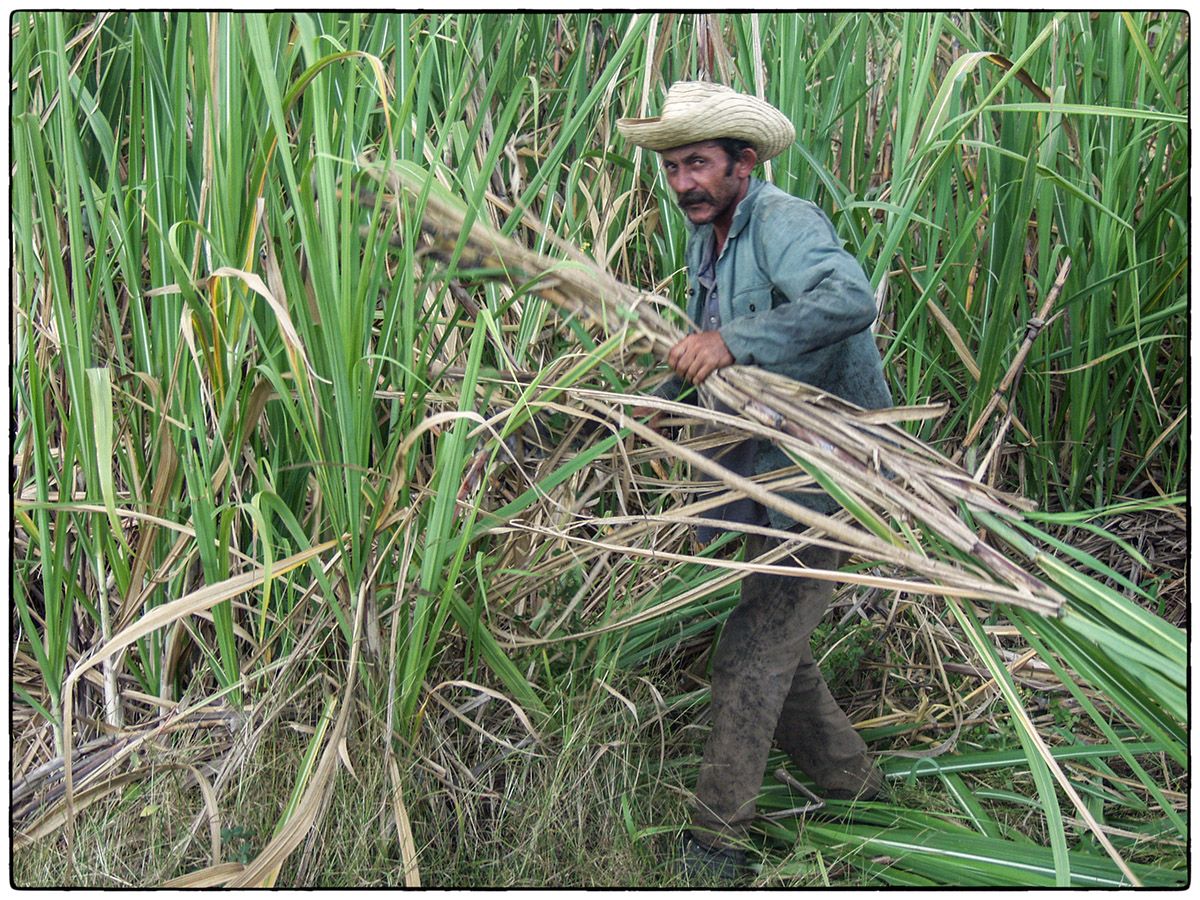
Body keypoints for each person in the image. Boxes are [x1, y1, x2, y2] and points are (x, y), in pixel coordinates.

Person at [616, 81, 893, 879]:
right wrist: (652, 405)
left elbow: (848, 298)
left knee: (751, 650)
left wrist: (734, 341)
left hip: (822, 468)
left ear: (743, 162)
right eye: (673, 169)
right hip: (762, 471)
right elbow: (708, 350)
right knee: (779, 647)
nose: (684, 184)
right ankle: (860, 794)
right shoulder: (707, 238)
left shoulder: (782, 221)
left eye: (698, 164)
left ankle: (716, 845)